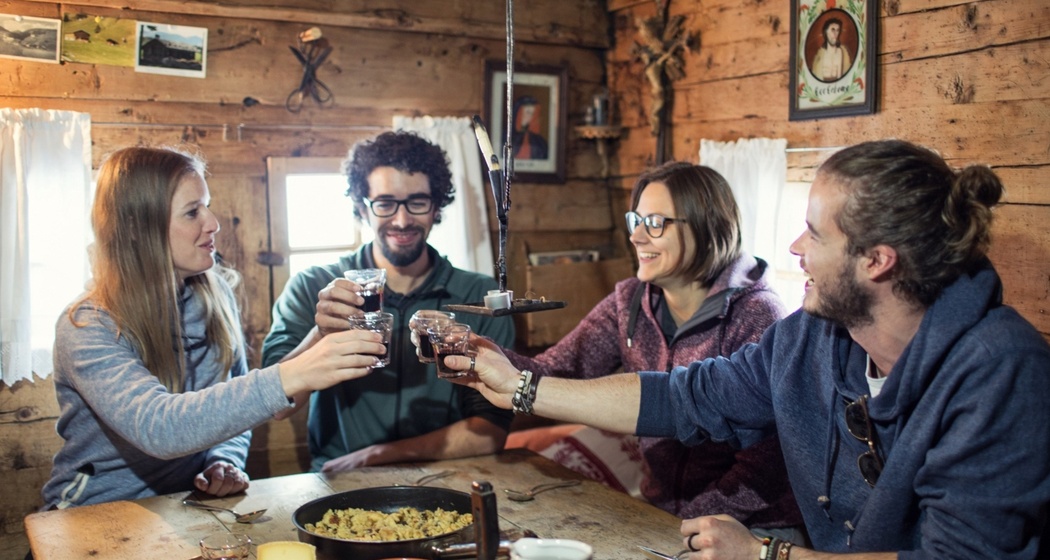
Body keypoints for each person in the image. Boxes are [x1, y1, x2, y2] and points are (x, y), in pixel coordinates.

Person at [444, 139, 1050, 558]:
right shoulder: (813, 336)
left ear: (877, 261)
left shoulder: (1001, 369)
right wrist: (518, 384)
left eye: (813, 232)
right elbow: (691, 396)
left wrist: (765, 554)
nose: (794, 248)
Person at [42, 146, 381, 510]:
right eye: (192, 212)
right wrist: (298, 371)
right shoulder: (87, 325)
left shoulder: (213, 295)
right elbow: (160, 428)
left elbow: (232, 402)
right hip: (94, 514)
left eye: (207, 205)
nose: (213, 222)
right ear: (136, 228)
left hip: (183, 507)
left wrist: (224, 460)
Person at [502, 162, 804, 539]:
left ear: (706, 225)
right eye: (636, 221)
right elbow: (557, 371)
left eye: (655, 223)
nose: (637, 237)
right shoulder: (628, 301)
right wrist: (480, 356)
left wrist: (679, 525)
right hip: (664, 516)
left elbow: (770, 463)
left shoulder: (757, 315)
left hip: (755, 527)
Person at [261, 131, 515, 473]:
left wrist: (377, 455)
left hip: (445, 480)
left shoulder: (479, 299)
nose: (402, 220)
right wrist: (320, 335)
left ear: (437, 205)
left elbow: (490, 432)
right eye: (385, 203)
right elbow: (277, 408)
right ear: (361, 207)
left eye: (417, 202)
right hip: (338, 483)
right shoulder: (313, 287)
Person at [811, 17, 852, 82]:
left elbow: (840, 78)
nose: (835, 33)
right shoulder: (820, 55)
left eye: (837, 30)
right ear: (826, 32)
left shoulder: (840, 52)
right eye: (832, 30)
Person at [511, 95, 549, 160]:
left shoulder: (539, 142)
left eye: (532, 114)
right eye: (527, 112)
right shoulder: (505, 137)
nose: (529, 117)